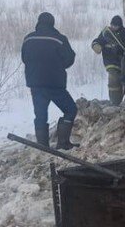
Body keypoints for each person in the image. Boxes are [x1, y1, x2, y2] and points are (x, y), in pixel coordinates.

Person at [21, 12, 79, 149]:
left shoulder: (28, 39)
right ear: (52, 23)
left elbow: (24, 59)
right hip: (55, 83)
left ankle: (42, 147)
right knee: (70, 110)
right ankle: (63, 143)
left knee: (40, 115)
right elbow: (69, 58)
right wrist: (58, 67)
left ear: (38, 22)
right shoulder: (59, 39)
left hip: (35, 84)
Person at [91, 15, 125, 106]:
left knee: (122, 81)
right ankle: (115, 102)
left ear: (120, 25)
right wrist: (96, 46)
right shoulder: (106, 32)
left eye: (116, 26)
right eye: (112, 25)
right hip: (110, 61)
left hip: (122, 63)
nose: (113, 27)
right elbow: (97, 41)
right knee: (113, 79)